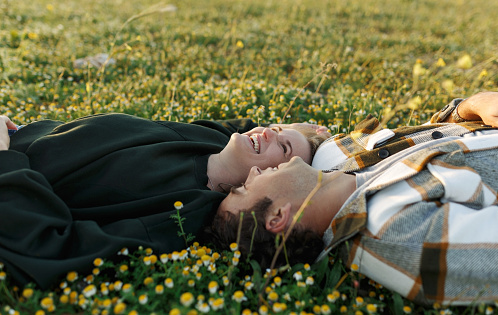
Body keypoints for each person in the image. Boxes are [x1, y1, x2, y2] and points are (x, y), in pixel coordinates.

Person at [210, 91, 498, 305]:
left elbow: (433, 132)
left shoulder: (333, 155)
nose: (251, 173)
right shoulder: (393, 235)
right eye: (245, 188)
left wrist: (471, 106)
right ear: (278, 217)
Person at [0, 113, 328, 289]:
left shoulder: (182, 217)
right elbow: (248, 127)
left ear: (269, 181)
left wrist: (4, 160)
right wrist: (301, 132)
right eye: (273, 127)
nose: (268, 133)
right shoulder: (211, 139)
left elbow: (54, 248)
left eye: (283, 148)